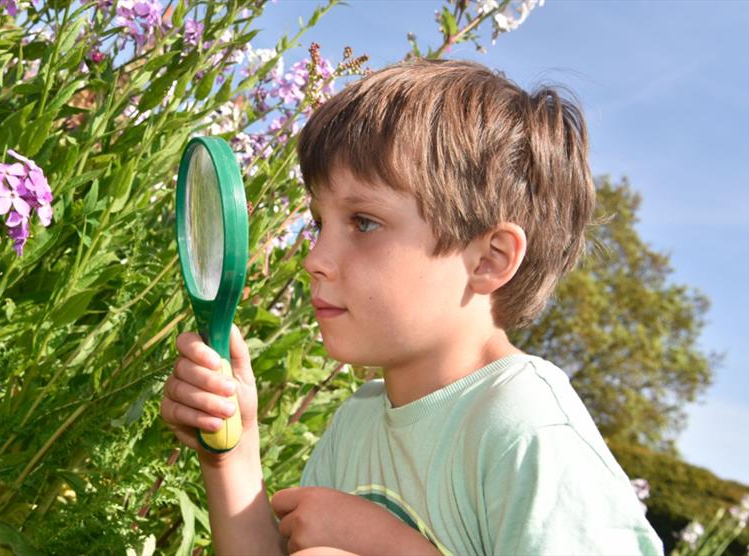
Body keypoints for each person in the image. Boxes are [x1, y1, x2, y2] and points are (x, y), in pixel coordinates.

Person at [160, 58, 664, 555]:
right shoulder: (356, 422)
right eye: (318, 224)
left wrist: (388, 546)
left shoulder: (528, 429)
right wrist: (233, 457)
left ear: (489, 259)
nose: (315, 259)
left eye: (363, 222)